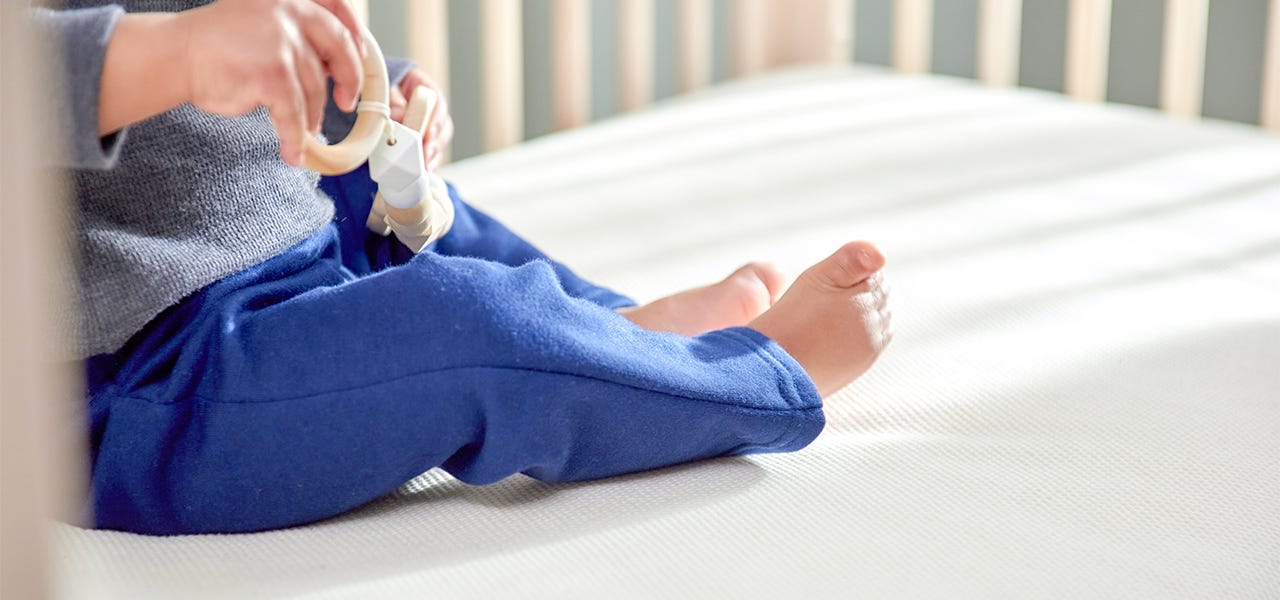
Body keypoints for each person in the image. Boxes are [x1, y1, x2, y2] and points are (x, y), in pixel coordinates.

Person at [39, 0, 893, 535]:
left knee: (410, 210)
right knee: (462, 324)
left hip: (278, 245)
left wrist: (381, 96)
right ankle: (754, 374)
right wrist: (177, 51)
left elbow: (254, 75)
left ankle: (617, 332)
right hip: (140, 381)